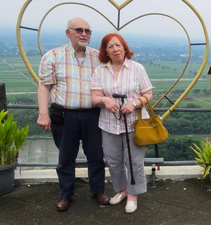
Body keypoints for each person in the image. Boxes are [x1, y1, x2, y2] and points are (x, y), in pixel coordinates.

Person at [37, 18, 109, 212]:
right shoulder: (52, 56)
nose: (84, 34)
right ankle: (66, 194)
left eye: (88, 30)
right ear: (68, 33)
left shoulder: (98, 57)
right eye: (79, 30)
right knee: (66, 157)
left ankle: (98, 190)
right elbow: (44, 87)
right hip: (64, 115)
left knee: (96, 155)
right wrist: (43, 114)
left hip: (92, 114)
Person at [90, 33, 153, 214]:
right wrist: (104, 100)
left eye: (118, 45)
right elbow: (94, 98)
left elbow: (148, 94)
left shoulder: (137, 68)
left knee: (134, 161)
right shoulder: (100, 70)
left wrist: (134, 104)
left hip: (134, 123)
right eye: (110, 47)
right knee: (113, 160)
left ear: (125, 48)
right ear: (105, 52)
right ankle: (122, 189)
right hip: (109, 123)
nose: (115, 49)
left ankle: (133, 194)